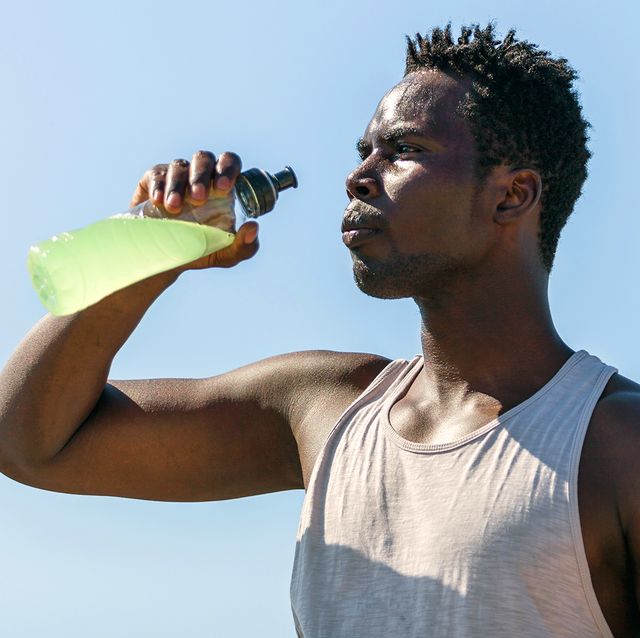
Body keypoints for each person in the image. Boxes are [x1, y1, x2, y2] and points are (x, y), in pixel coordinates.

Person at [0, 22, 638, 637]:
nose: (359, 176)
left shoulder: (615, 443)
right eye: (365, 151)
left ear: (512, 196)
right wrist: (143, 253)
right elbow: (31, 442)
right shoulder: (326, 409)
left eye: (405, 150)